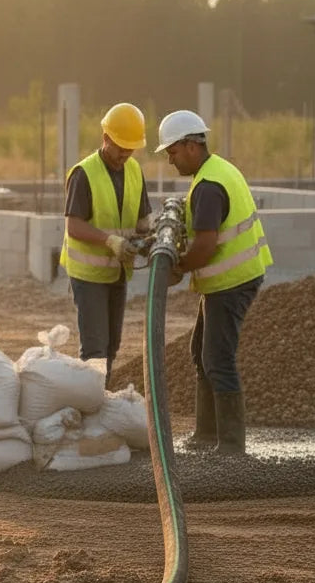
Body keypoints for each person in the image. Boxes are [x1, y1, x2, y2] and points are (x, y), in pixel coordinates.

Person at [155, 109, 273, 455]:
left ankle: (231, 447)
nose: (170, 161)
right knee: (201, 353)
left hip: (231, 282)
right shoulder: (217, 170)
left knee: (218, 359)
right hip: (229, 279)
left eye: (173, 152)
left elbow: (205, 246)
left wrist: (178, 268)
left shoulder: (208, 187)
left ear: (191, 146)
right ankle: (206, 435)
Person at [59, 102, 153, 383]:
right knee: (95, 349)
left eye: (130, 149)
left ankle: (101, 396)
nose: (125, 154)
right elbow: (74, 225)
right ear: (106, 138)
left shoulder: (134, 170)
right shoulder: (84, 173)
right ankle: (92, 401)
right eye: (120, 147)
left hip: (117, 272)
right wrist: (110, 241)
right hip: (88, 275)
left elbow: (141, 220)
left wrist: (148, 236)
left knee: (112, 345)